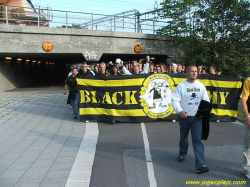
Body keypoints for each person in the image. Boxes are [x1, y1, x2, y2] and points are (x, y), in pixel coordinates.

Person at [172, 64, 210, 173]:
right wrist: (180, 111)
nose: (194, 73)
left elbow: (206, 101)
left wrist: (205, 112)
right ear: (187, 73)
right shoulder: (181, 86)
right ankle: (182, 153)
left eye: (196, 71)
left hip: (197, 118)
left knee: (197, 140)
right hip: (185, 117)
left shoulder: (201, 86)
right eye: (192, 71)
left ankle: (201, 165)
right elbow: (175, 100)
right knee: (184, 137)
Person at [239, 77, 250, 179]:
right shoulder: (249, 80)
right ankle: (248, 169)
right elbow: (243, 99)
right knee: (249, 147)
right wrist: (247, 116)